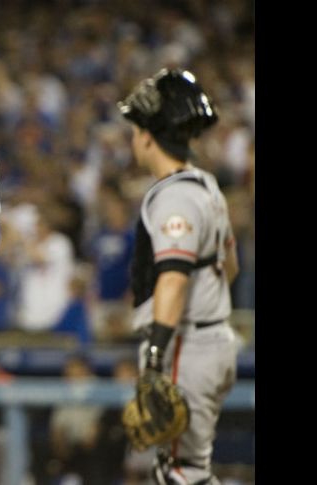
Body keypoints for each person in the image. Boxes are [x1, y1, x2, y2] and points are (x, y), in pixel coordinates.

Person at [118, 68, 239, 485]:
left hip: (186, 344)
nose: (134, 138)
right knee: (187, 469)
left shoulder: (175, 196)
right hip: (209, 337)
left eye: (135, 129)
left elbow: (173, 278)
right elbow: (233, 267)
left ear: (148, 135)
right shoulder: (205, 186)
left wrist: (155, 359)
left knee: (180, 473)